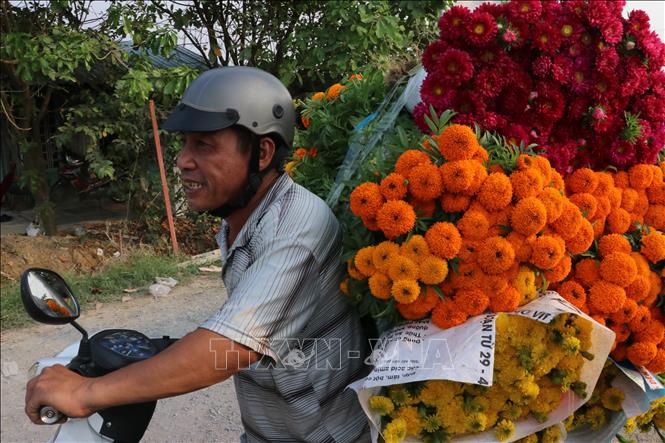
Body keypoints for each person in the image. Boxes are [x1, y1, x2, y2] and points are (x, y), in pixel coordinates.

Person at [25, 67, 371, 442]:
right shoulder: (243, 221)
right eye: (185, 144)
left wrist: (85, 393)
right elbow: (240, 322)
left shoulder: (296, 225)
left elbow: (227, 347)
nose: (183, 161)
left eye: (204, 145)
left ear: (262, 152)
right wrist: (161, 351)